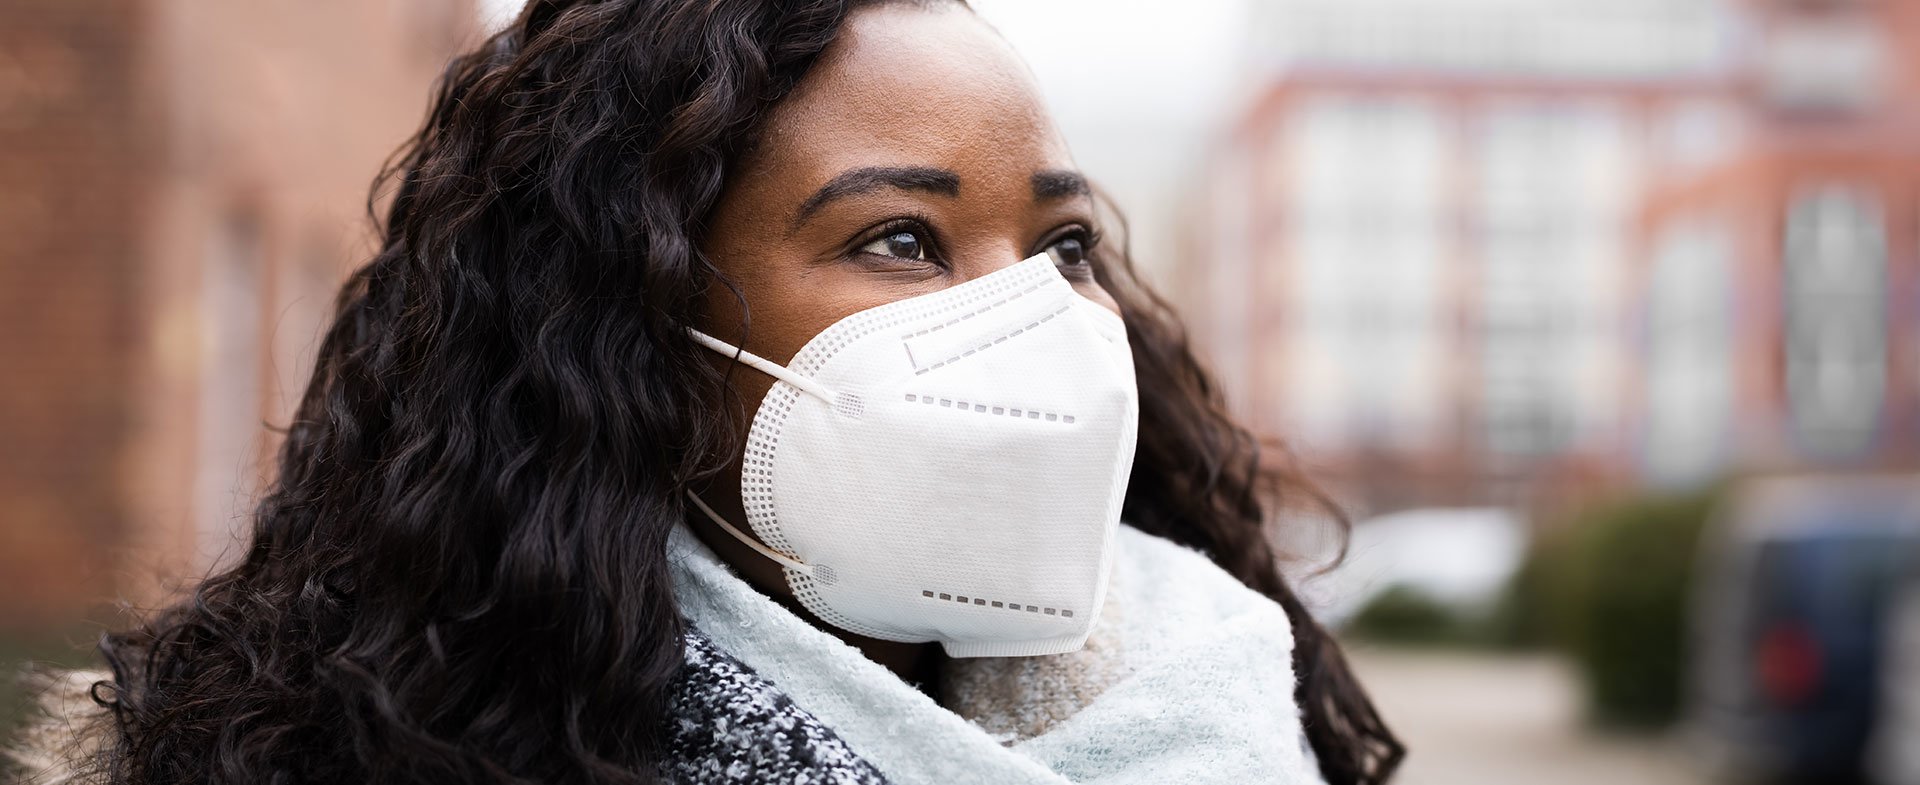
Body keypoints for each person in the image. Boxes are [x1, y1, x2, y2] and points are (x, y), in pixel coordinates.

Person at [8, 1, 1402, 783]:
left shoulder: (1222, 703)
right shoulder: (350, 758)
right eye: (901, 239)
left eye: (1064, 245)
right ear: (636, 324)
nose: (1033, 313)